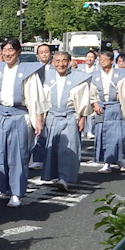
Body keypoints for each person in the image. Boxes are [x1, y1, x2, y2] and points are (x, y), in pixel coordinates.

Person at [0, 38, 48, 207]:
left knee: (18, 156)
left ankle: (17, 192)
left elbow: (37, 99)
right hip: (1, 116)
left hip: (20, 117)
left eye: (11, 50)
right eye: (4, 50)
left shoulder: (28, 72)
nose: (7, 54)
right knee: (0, 154)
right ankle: (4, 187)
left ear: (18, 52)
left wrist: (39, 121)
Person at [41, 51, 92, 192]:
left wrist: (82, 118)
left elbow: (83, 100)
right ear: (53, 63)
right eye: (57, 61)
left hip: (70, 116)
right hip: (51, 115)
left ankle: (64, 178)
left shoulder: (78, 79)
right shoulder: (46, 78)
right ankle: (53, 175)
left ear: (69, 62)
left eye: (64, 61)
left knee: (67, 148)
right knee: (52, 147)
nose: (61, 64)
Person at [89, 50, 125, 173]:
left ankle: (119, 159)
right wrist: (94, 104)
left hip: (116, 108)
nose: (102, 61)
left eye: (104, 59)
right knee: (103, 136)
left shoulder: (121, 75)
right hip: (101, 108)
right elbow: (91, 94)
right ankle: (107, 163)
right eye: (100, 59)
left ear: (111, 61)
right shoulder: (95, 76)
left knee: (116, 137)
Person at [28, 43, 54, 170]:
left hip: (52, 103)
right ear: (37, 55)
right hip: (38, 103)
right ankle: (38, 159)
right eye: (41, 52)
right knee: (39, 131)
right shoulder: (33, 69)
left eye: (46, 51)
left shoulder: (56, 68)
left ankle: (50, 160)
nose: (44, 54)